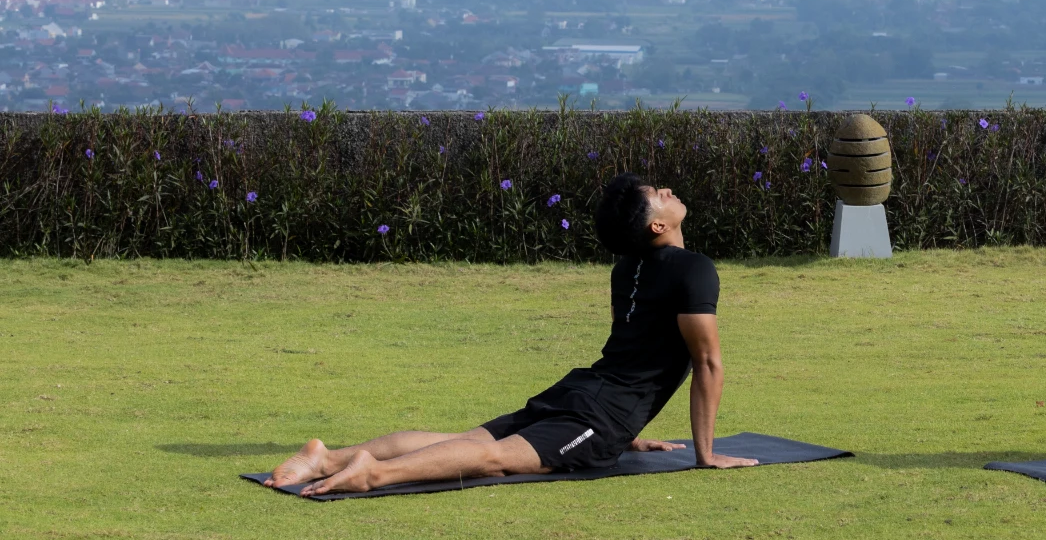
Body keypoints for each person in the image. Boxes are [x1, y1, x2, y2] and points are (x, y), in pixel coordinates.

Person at [268, 175, 758, 495]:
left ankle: (326, 457)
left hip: (583, 390)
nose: (670, 191)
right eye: (660, 195)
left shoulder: (625, 265)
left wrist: (626, 432)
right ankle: (372, 473)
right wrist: (706, 455)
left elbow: (632, 347)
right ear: (656, 224)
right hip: (602, 409)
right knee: (496, 459)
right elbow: (707, 364)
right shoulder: (695, 269)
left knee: (464, 439)